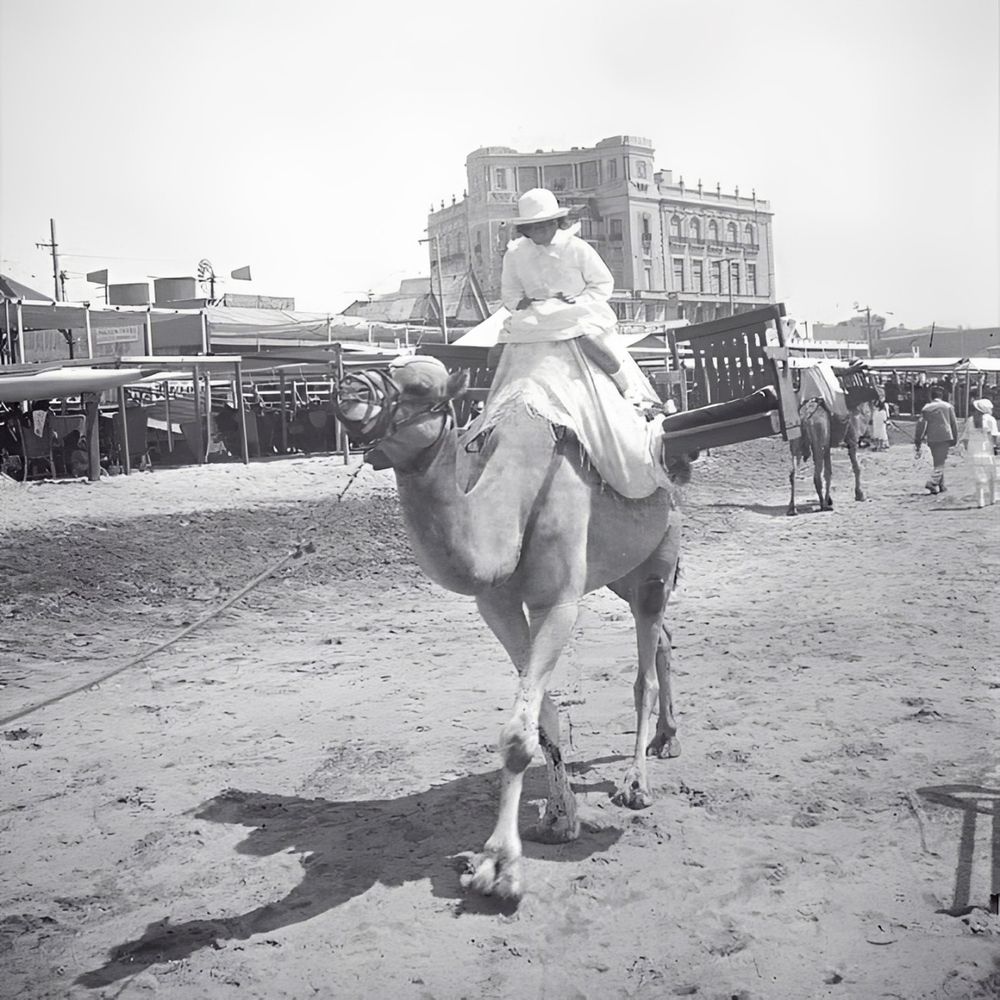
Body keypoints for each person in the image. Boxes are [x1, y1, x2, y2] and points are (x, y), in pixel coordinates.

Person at [499, 188, 653, 406]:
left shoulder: (577, 248)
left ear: (557, 222)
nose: (542, 230)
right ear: (526, 229)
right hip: (536, 314)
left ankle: (625, 384)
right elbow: (510, 291)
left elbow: (602, 283)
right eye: (535, 226)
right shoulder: (515, 254)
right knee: (502, 348)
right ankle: (494, 399)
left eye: (547, 223)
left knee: (586, 339)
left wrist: (578, 300)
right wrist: (521, 303)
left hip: (577, 310)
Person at [914, 386, 959, 494]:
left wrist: (918, 439)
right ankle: (932, 482)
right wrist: (955, 437)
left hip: (932, 436)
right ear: (942, 396)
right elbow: (954, 423)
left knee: (937, 460)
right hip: (945, 436)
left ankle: (941, 484)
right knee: (941, 461)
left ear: (931, 396)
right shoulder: (948, 406)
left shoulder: (926, 408)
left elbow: (921, 424)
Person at [959, 397, 998, 507]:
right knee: (991, 475)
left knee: (978, 477)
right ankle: (992, 498)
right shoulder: (990, 420)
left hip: (974, 450)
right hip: (987, 450)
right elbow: (994, 436)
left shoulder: (971, 419)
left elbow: (965, 437)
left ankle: (980, 501)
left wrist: (967, 449)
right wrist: (995, 447)